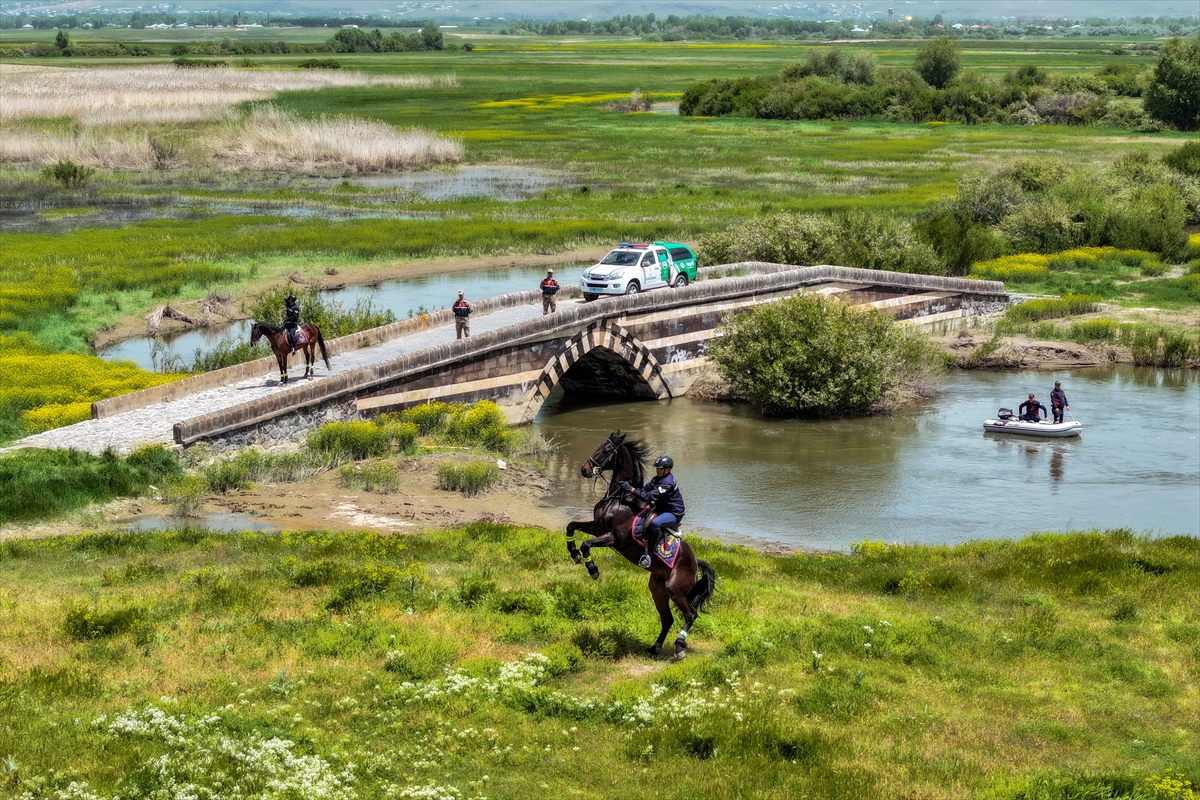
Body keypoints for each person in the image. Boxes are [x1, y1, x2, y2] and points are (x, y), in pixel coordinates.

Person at [619, 455, 685, 569]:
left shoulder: (667, 483)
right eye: (657, 468)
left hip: (673, 513)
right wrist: (630, 490)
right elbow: (645, 489)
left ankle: (648, 555)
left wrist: (631, 489)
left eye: (660, 469)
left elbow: (648, 497)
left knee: (656, 523)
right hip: (662, 508)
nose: (657, 470)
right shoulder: (657, 479)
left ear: (668, 469)